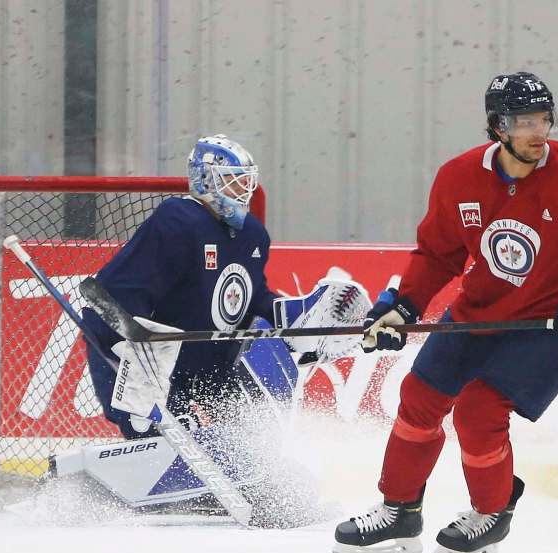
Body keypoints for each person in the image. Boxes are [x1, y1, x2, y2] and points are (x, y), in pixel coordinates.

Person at [333, 72, 558, 553]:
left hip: (550, 325)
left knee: (479, 411)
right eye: (523, 121)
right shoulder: (458, 177)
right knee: (419, 395)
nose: (537, 132)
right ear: (497, 127)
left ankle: (491, 513)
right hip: (477, 315)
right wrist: (402, 306)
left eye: (544, 119)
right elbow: (436, 255)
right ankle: (400, 511)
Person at [78, 134, 367, 524]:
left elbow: (251, 299)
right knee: (167, 444)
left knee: (257, 423)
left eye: (247, 180)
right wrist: (134, 356)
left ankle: (253, 479)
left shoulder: (252, 235)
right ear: (204, 180)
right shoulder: (177, 222)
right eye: (233, 180)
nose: (244, 190)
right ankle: (166, 487)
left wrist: (296, 316)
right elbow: (110, 300)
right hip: (146, 368)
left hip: (210, 365)